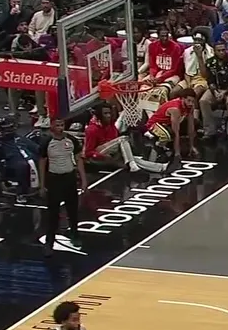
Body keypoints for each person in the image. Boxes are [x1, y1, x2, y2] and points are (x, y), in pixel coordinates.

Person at [39, 118, 87, 254]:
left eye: (62, 125)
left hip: (69, 178)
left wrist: (84, 180)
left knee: (73, 210)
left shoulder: (72, 140)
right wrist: (41, 185)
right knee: (53, 213)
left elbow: (78, 159)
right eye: (57, 125)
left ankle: (75, 234)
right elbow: (42, 163)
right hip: (54, 179)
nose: (60, 128)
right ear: (52, 127)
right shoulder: (46, 142)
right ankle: (49, 242)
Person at [83, 104, 165, 173]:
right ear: (99, 115)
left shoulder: (111, 126)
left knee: (131, 158)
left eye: (109, 113)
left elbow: (114, 142)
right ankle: (132, 164)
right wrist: (102, 156)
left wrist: (119, 153)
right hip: (98, 156)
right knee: (122, 139)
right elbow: (88, 152)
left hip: (112, 152)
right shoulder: (91, 129)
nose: (109, 115)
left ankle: (160, 167)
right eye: (105, 113)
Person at [146, 89, 199, 161]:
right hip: (154, 124)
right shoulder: (175, 109)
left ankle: (170, 145)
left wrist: (192, 146)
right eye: (189, 100)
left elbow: (191, 127)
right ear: (183, 99)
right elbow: (176, 131)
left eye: (192, 101)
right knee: (171, 134)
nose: (191, 103)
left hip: (167, 124)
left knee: (196, 123)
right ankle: (158, 146)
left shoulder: (190, 107)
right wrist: (177, 153)